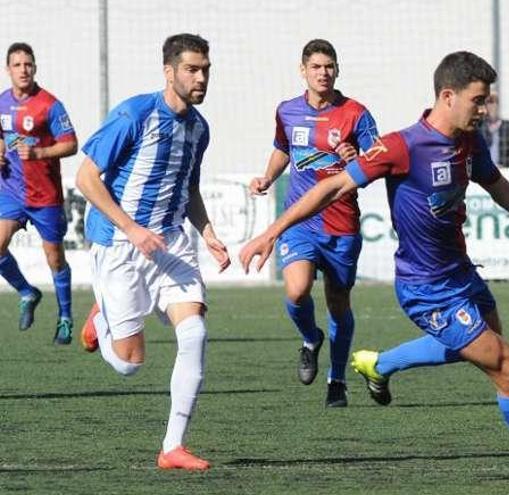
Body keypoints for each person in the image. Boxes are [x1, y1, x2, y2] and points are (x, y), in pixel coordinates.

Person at [240, 51, 509, 486]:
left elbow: (501, 189)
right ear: (448, 96)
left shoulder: (470, 142)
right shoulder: (402, 146)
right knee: (507, 366)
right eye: (478, 100)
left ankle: (380, 364)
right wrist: (273, 231)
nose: (484, 109)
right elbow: (334, 185)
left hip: (462, 275)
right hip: (426, 288)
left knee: (489, 347)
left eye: (487, 101)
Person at [76, 33, 229, 470]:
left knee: (195, 333)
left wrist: (208, 232)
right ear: (169, 71)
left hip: (171, 243)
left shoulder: (200, 128)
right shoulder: (134, 114)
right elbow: (86, 179)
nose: (201, 78)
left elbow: (190, 186)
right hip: (121, 243)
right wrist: (132, 227)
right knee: (129, 365)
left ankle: (172, 448)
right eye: (191, 69)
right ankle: (101, 317)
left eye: (205, 70)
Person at [248, 39, 378, 408]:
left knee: (339, 303)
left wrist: (358, 157)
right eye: (316, 66)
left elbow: (376, 159)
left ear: (337, 70)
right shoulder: (287, 111)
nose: (323, 73)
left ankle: (336, 380)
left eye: (329, 66)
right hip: (301, 222)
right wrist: (267, 178)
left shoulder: (355, 113)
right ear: (302, 70)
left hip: (342, 225)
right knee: (296, 290)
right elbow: (283, 148)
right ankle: (310, 339)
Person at [0, 42, 78, 343]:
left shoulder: (49, 104)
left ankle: (65, 316)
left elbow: (71, 144)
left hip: (44, 194)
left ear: (35, 68)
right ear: (8, 69)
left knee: (55, 259)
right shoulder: (2, 103)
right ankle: (27, 292)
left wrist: (41, 152)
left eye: (28, 64)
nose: (23, 70)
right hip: (10, 190)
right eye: (17, 65)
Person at [479, 91, 509, 167]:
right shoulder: (479, 128)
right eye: (489, 102)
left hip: (504, 170)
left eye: (495, 102)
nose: (493, 105)